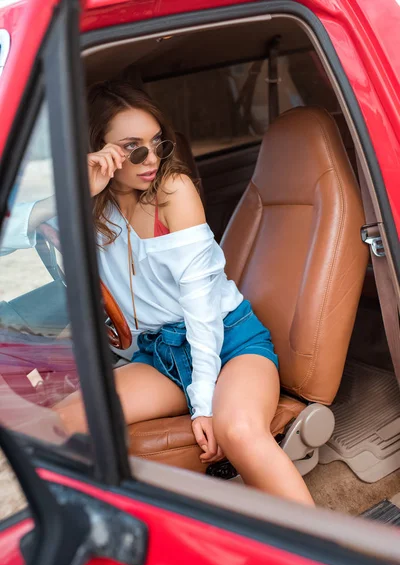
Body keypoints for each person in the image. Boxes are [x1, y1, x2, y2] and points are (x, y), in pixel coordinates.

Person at [3, 80, 314, 505]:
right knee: (62, 421)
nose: (149, 159)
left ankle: (330, 562)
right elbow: (8, 232)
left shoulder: (173, 190)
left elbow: (202, 309)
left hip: (228, 340)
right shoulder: (90, 204)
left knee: (238, 430)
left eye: (156, 144)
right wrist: (75, 192)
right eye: (132, 148)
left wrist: (203, 403)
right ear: (98, 151)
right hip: (159, 353)